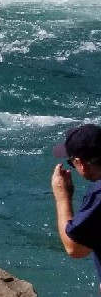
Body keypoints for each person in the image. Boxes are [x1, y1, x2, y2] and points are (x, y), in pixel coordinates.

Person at [51, 123, 101, 291]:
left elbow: (76, 248)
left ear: (81, 164)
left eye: (71, 163)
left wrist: (62, 197)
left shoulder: (99, 194)